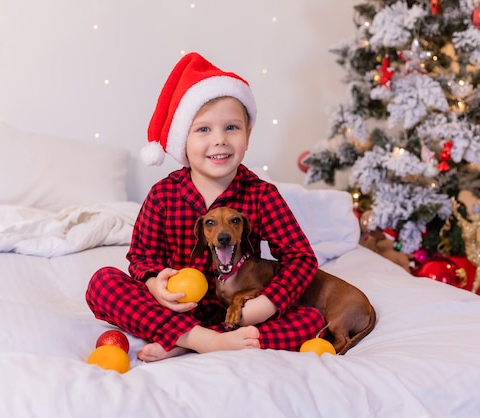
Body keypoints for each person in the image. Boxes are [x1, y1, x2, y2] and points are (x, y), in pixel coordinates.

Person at [86, 52, 324, 362]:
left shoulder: (261, 194)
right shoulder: (163, 194)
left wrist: (265, 305)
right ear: (181, 139)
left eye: (232, 128)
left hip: (237, 309)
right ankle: (202, 339)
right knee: (102, 284)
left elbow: (300, 258)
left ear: (248, 136)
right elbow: (142, 257)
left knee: (312, 319)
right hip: (176, 307)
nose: (220, 140)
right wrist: (154, 285)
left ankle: (189, 341)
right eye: (203, 130)